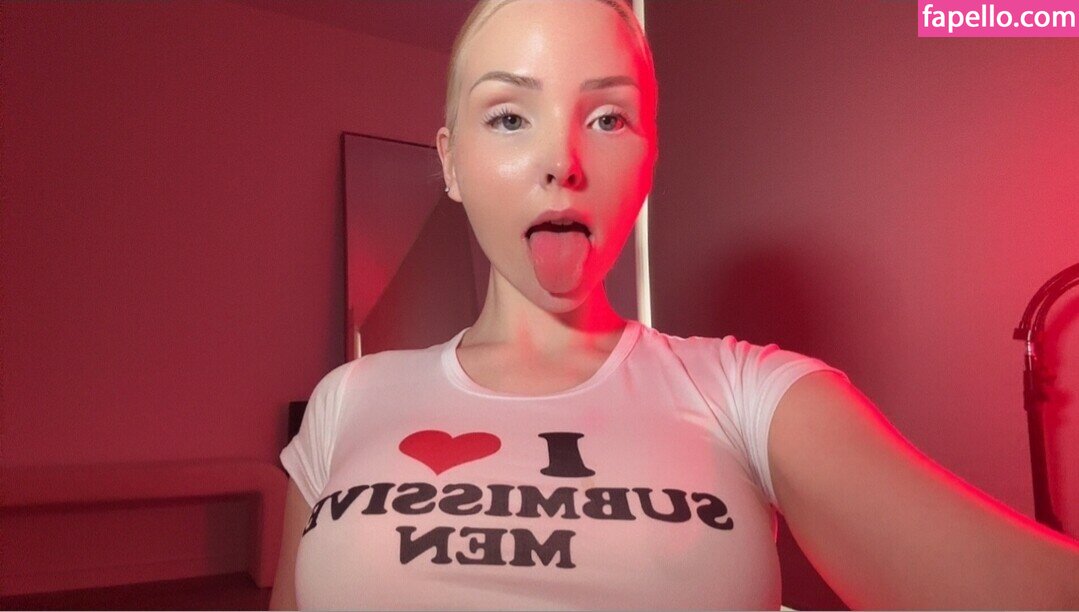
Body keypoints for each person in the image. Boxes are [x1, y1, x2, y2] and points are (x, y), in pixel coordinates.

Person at [269, 0, 1079, 609]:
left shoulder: (748, 393)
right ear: (451, 163)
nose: (561, 160)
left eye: (607, 117)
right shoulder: (347, 399)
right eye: (509, 116)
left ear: (647, 159)